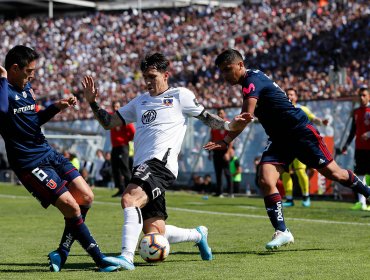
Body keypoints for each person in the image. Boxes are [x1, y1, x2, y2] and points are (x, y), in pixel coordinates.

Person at [81, 53, 246, 270]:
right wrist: (93, 103)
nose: (148, 81)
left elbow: (206, 117)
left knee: (129, 199)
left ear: (166, 75)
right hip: (141, 166)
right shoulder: (139, 101)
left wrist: (227, 126)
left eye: (152, 76)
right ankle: (198, 235)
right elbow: (109, 122)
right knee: (154, 231)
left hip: (161, 164)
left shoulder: (180, 96)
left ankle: (126, 257)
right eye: (145, 77)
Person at [204, 49, 370, 250]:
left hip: (301, 133)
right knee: (266, 179)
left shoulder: (251, 81)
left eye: (228, 69)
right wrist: (226, 140)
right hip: (280, 140)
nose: (226, 75)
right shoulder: (250, 81)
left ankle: (367, 192)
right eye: (222, 72)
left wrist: (226, 131)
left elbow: (245, 116)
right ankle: (282, 231)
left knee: (335, 174)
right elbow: (245, 118)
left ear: (240, 65)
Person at [0, 45, 123, 272]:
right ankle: (100, 259)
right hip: (28, 163)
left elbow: (33, 122)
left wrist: (56, 107)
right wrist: (1, 79)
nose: (33, 75)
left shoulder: (27, 88)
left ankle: (61, 253)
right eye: (29, 70)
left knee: (86, 197)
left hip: (47, 153)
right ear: (14, 69)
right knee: (71, 206)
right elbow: (2, 109)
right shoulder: (3, 91)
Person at [282, 88, 329, 208]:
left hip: (299, 144)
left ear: (296, 97)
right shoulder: (281, 108)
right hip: (285, 144)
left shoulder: (302, 109)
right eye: (287, 94)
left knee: (300, 172)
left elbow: (313, 119)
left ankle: (306, 196)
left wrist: (321, 122)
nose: (289, 96)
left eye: (292, 94)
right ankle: (289, 199)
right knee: (285, 172)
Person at [339, 87, 370, 211]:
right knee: (360, 174)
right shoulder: (356, 111)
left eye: (364, 95)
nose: (361, 98)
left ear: (369, 96)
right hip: (360, 148)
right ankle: (362, 203)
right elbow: (353, 130)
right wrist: (346, 145)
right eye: (360, 95)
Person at [110, 101, 135, 197]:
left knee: (124, 167)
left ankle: (130, 190)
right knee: (115, 168)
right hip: (115, 147)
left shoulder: (124, 118)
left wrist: (126, 140)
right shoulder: (111, 117)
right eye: (114, 106)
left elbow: (132, 131)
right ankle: (121, 189)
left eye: (117, 106)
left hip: (123, 146)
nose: (115, 108)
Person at [209, 108, 233, 197]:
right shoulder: (214, 125)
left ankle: (230, 192)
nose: (220, 114)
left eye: (221, 113)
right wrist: (210, 152)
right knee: (218, 172)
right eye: (218, 113)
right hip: (216, 151)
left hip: (224, 151)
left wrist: (228, 152)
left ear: (225, 114)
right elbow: (212, 138)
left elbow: (231, 139)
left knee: (227, 172)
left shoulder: (227, 124)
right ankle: (220, 192)